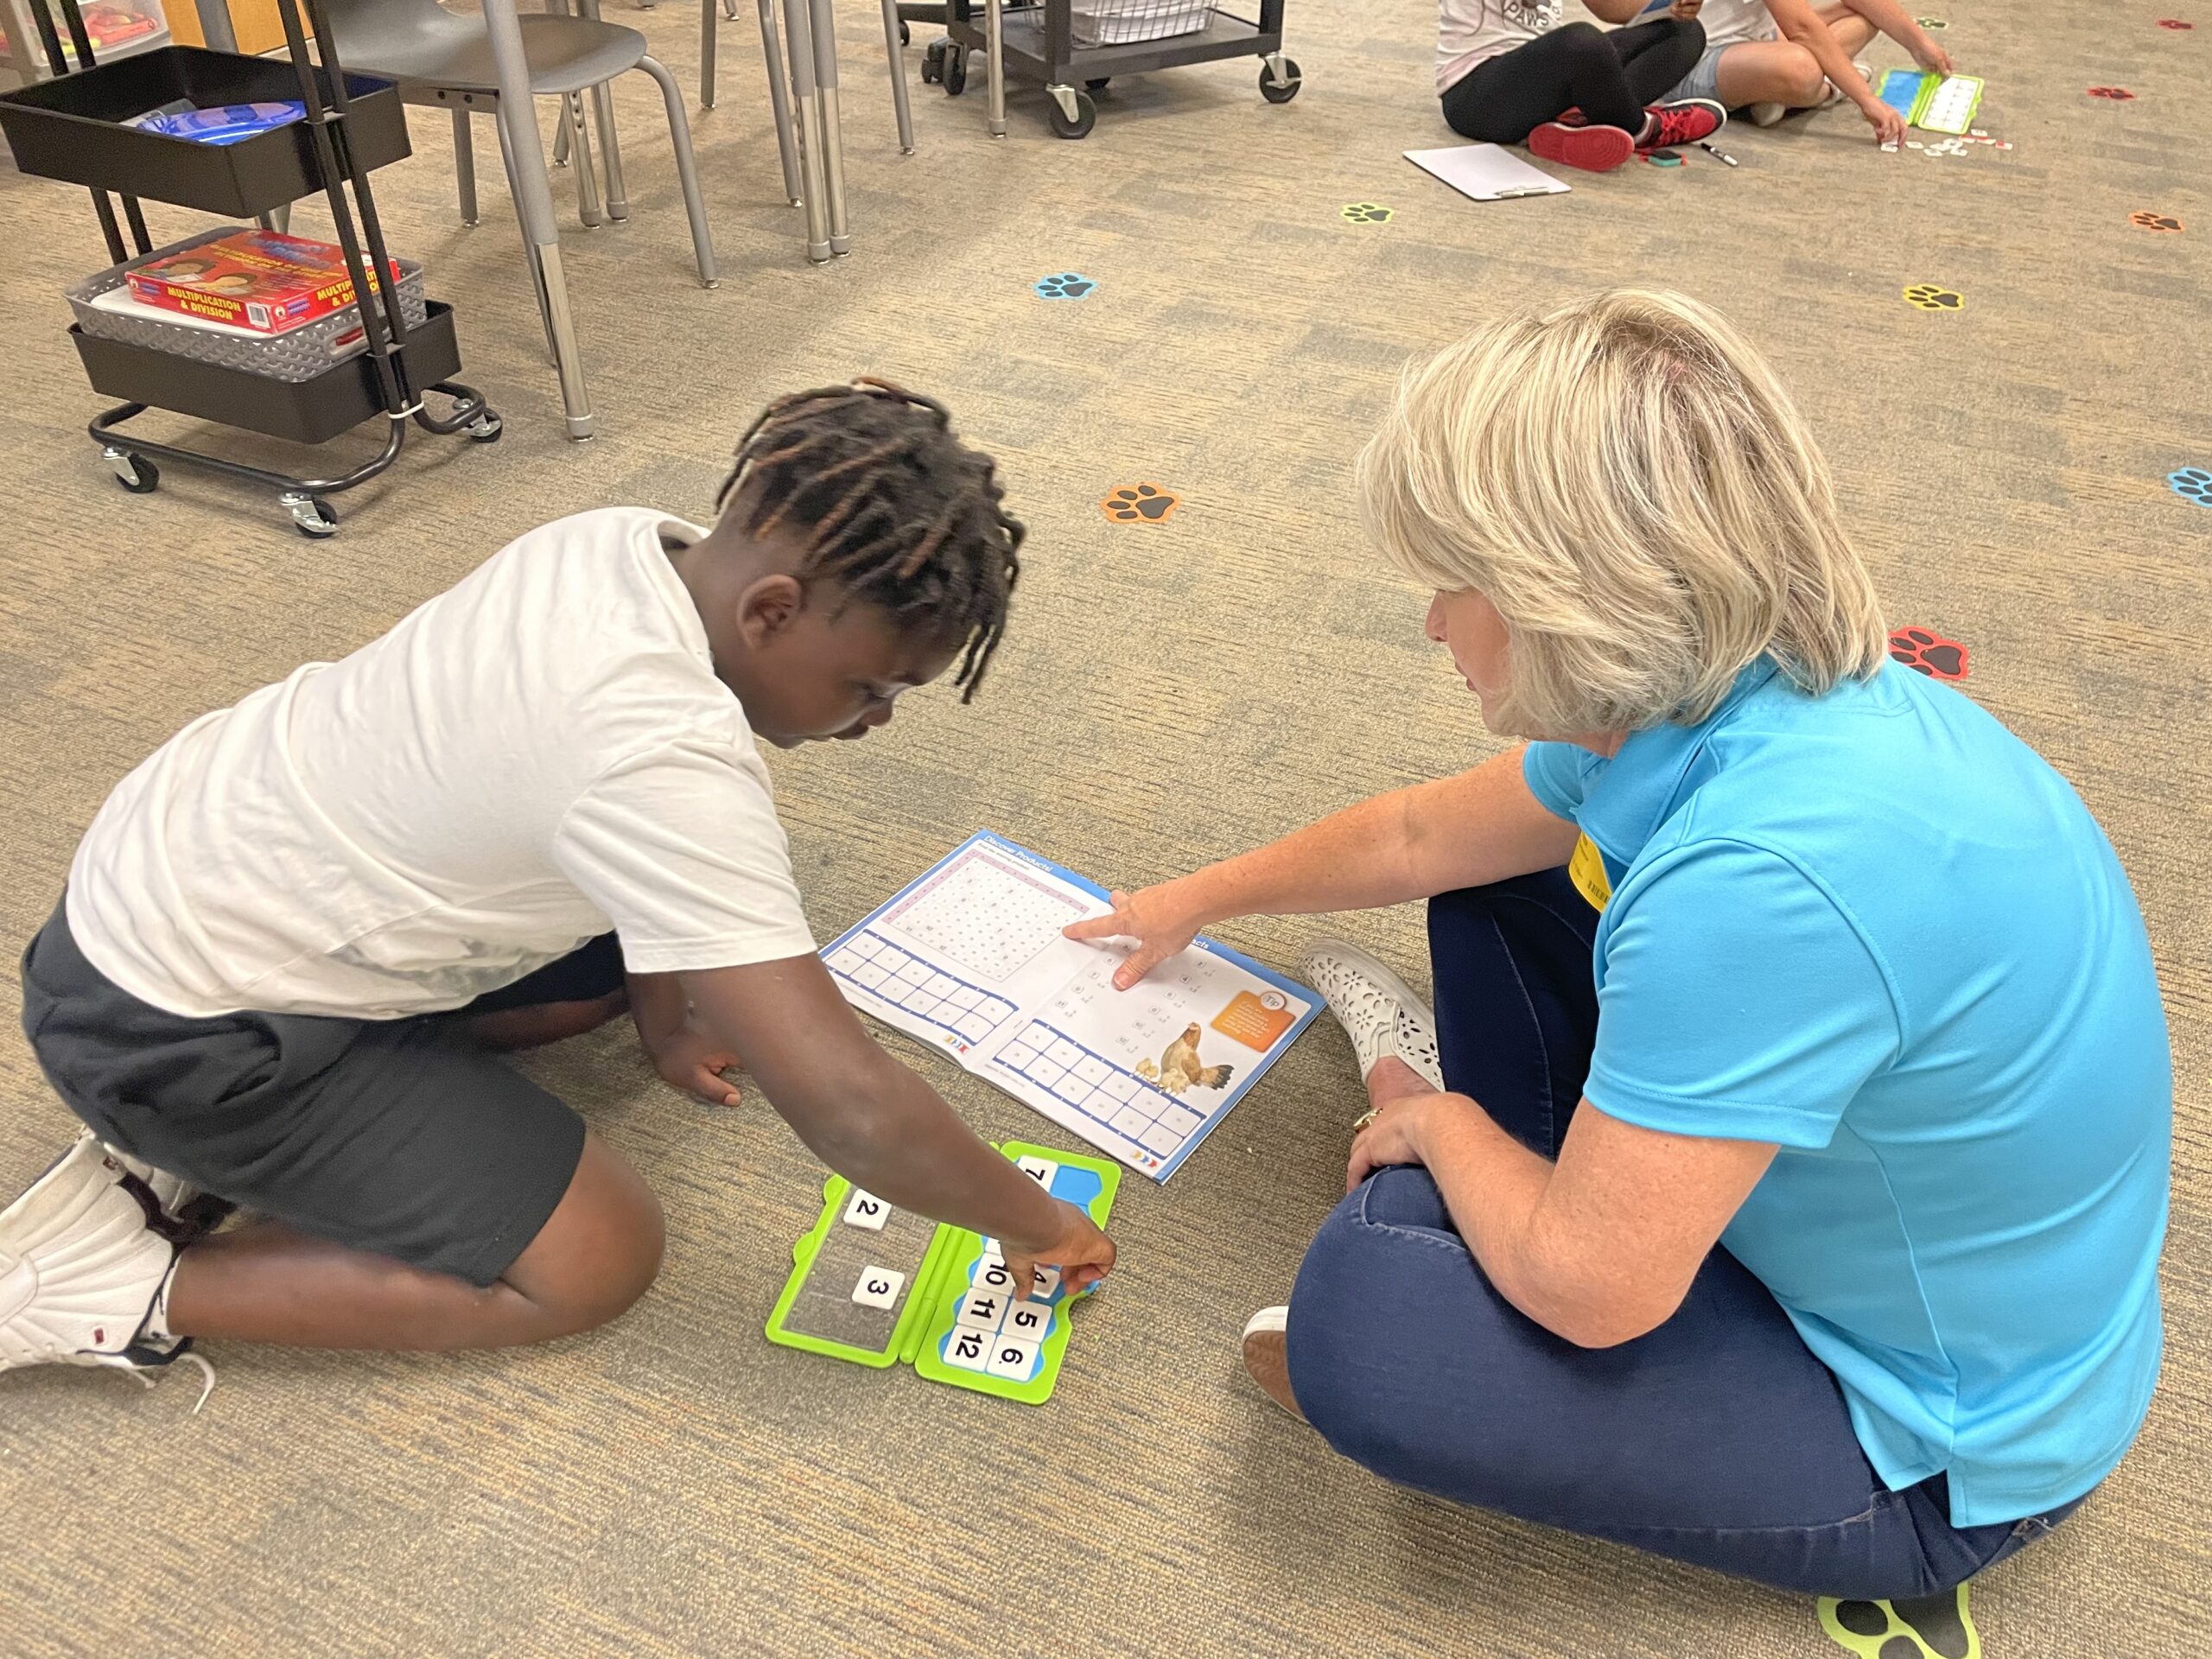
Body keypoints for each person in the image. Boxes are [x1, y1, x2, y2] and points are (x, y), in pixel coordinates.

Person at [1063, 292, 2171, 1605]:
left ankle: (1452, 1131)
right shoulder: (1729, 689)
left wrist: (1447, 1128)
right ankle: (1532, 1164)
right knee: (1498, 888)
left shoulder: (1763, 884)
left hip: (1944, 1453)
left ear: (1566, 602)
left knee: (1372, 1319)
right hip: (1921, 1244)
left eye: (1453, 586)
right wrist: (1199, 894)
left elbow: (1593, 1295)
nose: (1430, 626)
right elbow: (1420, 837)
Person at [1, 380, 1116, 1396]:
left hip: (148, 896)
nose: (877, 719)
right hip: (172, 1036)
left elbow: (614, 856)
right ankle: (116, 1283)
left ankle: (272, 1148)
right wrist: (1036, 1222)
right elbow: (854, 1110)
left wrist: (668, 1019)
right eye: (871, 686)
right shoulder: (655, 762)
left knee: (606, 984)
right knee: (599, 1256)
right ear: (770, 611)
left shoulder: (622, 543)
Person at [1436, 0, 1726, 173]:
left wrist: (1670, 5)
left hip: (1548, 80)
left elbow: (1613, 8)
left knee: (1683, 31)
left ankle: (1578, 123)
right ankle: (1643, 129)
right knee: (1582, 42)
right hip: (1476, 96)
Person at [1664, 0, 1948, 135]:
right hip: (1691, 60)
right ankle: (1825, 90)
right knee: (1802, 69)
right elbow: (1803, 29)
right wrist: (1867, 99)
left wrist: (1919, 44)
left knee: (1865, 16)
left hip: (1755, 38)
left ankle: (1777, 97)